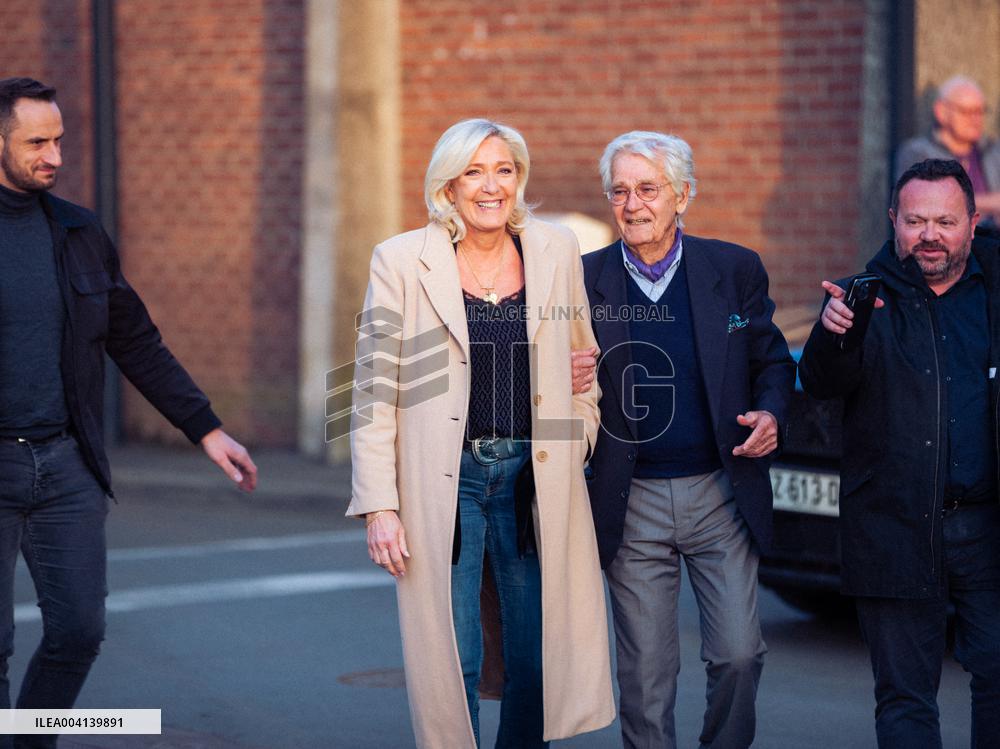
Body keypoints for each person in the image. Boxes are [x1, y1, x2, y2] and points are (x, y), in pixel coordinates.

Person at [0, 77, 257, 749]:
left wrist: (205, 428)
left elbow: (135, 339)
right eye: (36, 143)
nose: (54, 156)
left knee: (79, 631)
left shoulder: (78, 232)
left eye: (59, 140)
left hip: (65, 462)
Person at [347, 118, 614, 748]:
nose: (491, 186)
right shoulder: (401, 261)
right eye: (474, 172)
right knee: (454, 657)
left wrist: (575, 438)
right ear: (449, 185)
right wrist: (380, 506)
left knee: (536, 658)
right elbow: (373, 391)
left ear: (518, 179)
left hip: (531, 480)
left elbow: (584, 368)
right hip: (447, 483)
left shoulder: (554, 250)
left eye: (504, 170)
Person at [575, 131, 794, 749]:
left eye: (648, 189)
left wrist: (772, 413)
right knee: (646, 678)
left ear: (683, 195)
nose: (632, 204)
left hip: (720, 493)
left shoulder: (734, 268)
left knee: (739, 655)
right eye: (619, 191)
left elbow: (773, 362)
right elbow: (548, 374)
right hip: (631, 497)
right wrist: (560, 375)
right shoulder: (582, 279)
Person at [799, 158, 1000, 749]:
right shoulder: (860, 300)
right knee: (906, 698)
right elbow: (819, 384)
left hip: (987, 529)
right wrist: (834, 334)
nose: (929, 235)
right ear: (893, 221)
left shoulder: (994, 290)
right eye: (915, 221)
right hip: (894, 528)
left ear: (972, 223)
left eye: (945, 221)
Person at [895, 75, 1000, 226]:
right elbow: (924, 204)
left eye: (980, 111)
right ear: (941, 112)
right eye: (966, 111)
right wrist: (991, 203)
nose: (975, 119)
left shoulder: (993, 151)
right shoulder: (917, 153)